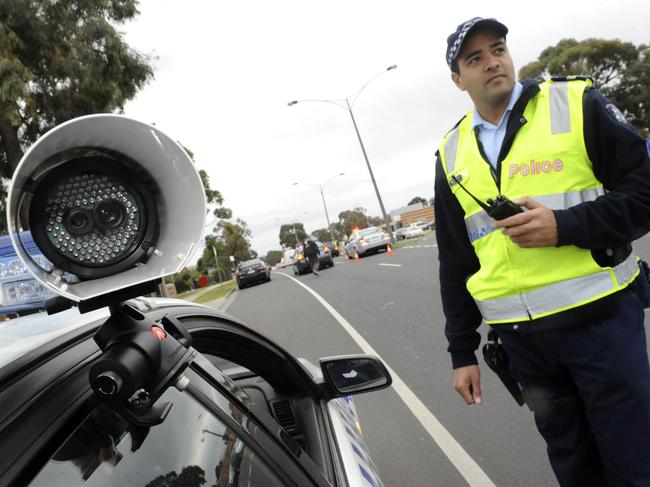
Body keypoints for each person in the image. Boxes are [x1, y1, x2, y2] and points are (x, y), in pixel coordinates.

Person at [434, 17, 650, 486]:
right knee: (575, 469)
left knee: (634, 466)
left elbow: (644, 192)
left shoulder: (574, 103)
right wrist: (461, 352)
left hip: (601, 326)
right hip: (526, 345)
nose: (493, 61)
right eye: (475, 58)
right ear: (458, 79)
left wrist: (565, 226)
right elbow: (455, 261)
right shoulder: (451, 153)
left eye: (498, 48)